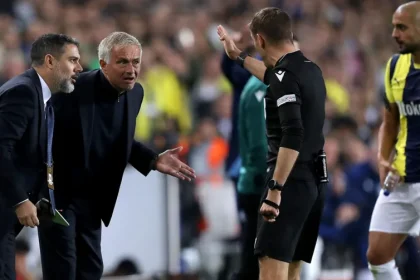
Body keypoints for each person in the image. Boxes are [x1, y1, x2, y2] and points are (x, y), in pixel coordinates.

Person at [37, 31, 196, 280]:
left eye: (136, 62)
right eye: (122, 62)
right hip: (58, 196)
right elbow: (41, 132)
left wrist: (153, 159)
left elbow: (119, 140)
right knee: (63, 269)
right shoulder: (73, 89)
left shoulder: (136, 93)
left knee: (91, 269)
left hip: (92, 199)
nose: (131, 69)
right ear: (103, 64)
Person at [218, 7, 327, 280]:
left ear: (261, 40)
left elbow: (293, 134)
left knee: (270, 270)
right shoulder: (310, 70)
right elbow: (273, 78)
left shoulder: (285, 77)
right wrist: (239, 57)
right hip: (313, 182)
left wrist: (275, 189)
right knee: (291, 271)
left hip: (288, 183)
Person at [0, 33, 82, 280]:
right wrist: (19, 201)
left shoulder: (41, 95)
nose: (78, 67)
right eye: (72, 60)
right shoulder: (23, 92)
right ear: (50, 61)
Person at [366, 2, 420, 279]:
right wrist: (382, 158)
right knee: (376, 255)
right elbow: (389, 122)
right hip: (400, 179)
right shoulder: (395, 67)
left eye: (402, 27)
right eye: (393, 27)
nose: (394, 34)